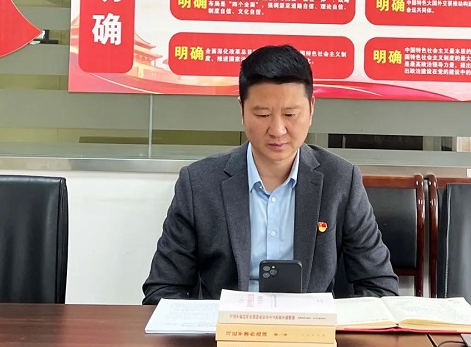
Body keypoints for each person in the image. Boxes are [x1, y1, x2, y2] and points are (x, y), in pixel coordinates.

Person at [142, 45, 398, 304]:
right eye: (262, 114)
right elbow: (163, 290)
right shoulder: (199, 183)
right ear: (242, 110)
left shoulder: (341, 180)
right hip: (227, 327)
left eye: (290, 114)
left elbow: (380, 287)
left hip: (310, 327)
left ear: (311, 108)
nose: (277, 130)